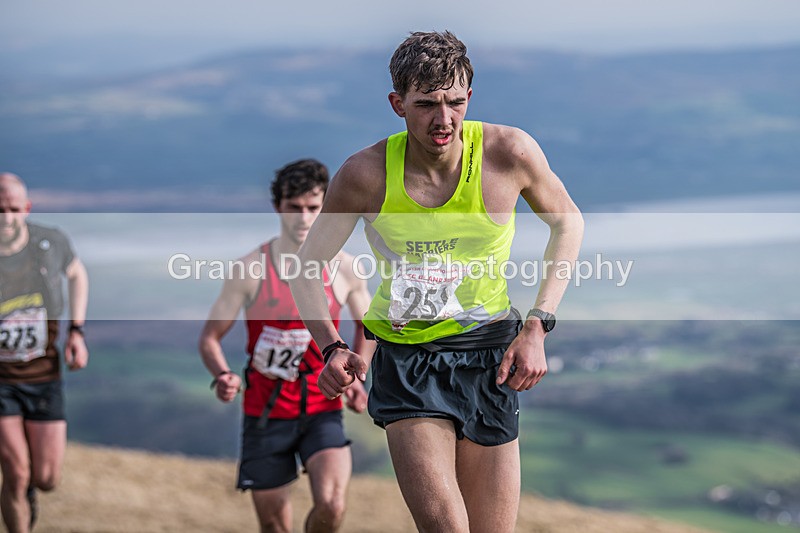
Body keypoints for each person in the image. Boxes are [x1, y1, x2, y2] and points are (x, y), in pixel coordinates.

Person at [289, 31, 584, 532]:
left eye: (455, 102)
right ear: (397, 104)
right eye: (426, 104)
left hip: (492, 357)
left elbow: (568, 222)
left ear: (470, 96)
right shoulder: (365, 174)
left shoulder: (508, 153)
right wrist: (331, 347)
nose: (443, 119)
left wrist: (537, 326)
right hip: (409, 361)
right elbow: (305, 267)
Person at [198, 159, 373, 533]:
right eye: (294, 208)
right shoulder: (249, 269)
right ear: (278, 207)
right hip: (267, 413)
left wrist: (360, 375)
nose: (304, 218)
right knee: (276, 527)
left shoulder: (345, 267)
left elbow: (368, 327)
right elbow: (210, 338)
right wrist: (223, 374)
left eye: (313, 208)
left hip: (322, 407)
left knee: (332, 506)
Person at [0, 172, 89, 533]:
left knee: (46, 476)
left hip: (44, 375)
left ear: (27, 208)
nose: (6, 218)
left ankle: (27, 494)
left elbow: (77, 273)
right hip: (1, 381)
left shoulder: (49, 243)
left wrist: (77, 331)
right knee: (17, 472)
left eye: (13, 209)